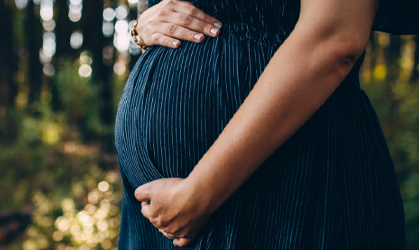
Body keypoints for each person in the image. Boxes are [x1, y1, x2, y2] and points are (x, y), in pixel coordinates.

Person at [113, 0, 419, 249]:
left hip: (291, 184)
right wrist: (142, 28)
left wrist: (199, 193)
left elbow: (335, 37)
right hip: (157, 215)